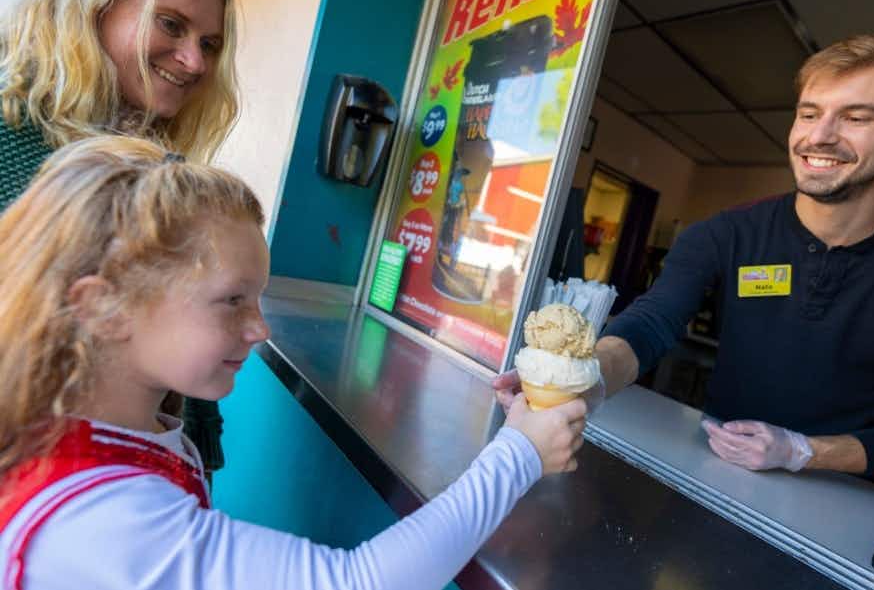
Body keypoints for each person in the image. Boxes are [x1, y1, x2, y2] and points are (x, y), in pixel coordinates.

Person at [0, 136, 587, 590]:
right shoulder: (95, 519)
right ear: (104, 307)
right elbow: (356, 583)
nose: (260, 328)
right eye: (232, 300)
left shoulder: (112, 427)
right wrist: (520, 453)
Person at [496, 33, 874, 483]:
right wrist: (582, 380)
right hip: (716, 470)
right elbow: (652, 323)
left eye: (856, 117)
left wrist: (802, 451)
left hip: (844, 499)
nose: (819, 136)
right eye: (809, 114)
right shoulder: (726, 233)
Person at [0, 0, 240, 474]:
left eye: (209, 43)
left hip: (145, 478)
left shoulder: (159, 166)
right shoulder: (9, 140)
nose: (192, 61)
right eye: (171, 24)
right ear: (89, 7)